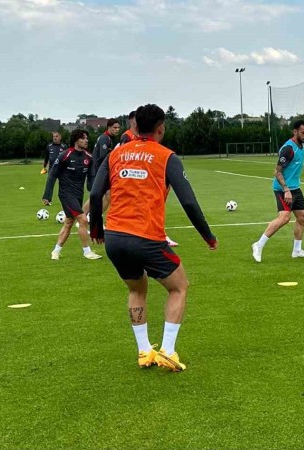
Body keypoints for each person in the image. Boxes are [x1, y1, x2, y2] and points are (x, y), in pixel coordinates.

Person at [89, 104, 217, 372]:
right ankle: (167, 351)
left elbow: (95, 193)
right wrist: (208, 236)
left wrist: (96, 229)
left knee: (136, 289)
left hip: (115, 237)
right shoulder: (167, 156)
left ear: (135, 126)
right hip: (146, 236)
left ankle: (144, 351)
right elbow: (189, 202)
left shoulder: (116, 154)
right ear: (161, 128)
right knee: (179, 287)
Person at [251, 120, 304, 263]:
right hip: (283, 188)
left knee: (302, 217)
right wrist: (286, 190)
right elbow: (277, 171)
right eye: (303, 133)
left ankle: (297, 251)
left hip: (295, 187)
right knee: (284, 218)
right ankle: (258, 245)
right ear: (295, 132)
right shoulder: (289, 149)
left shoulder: (301, 146)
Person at [119, 110, 180, 247]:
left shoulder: (146, 140)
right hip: (133, 178)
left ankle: (159, 232)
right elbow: (124, 157)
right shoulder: (127, 137)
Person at [42, 129, 102, 261]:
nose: (86, 140)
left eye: (86, 138)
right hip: (66, 194)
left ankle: (56, 251)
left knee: (69, 222)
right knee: (83, 220)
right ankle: (87, 252)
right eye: (83, 138)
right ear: (76, 140)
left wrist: (94, 191)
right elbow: (52, 175)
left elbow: (91, 177)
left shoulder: (88, 157)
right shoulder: (65, 155)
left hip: (78, 194)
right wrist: (47, 196)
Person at [90, 119, 120, 212]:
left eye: (118, 128)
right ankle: (91, 216)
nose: (117, 130)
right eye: (115, 127)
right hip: (98, 171)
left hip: (99, 170)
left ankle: (88, 216)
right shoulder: (105, 138)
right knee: (104, 195)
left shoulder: (108, 138)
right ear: (109, 127)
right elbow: (103, 156)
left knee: (100, 195)